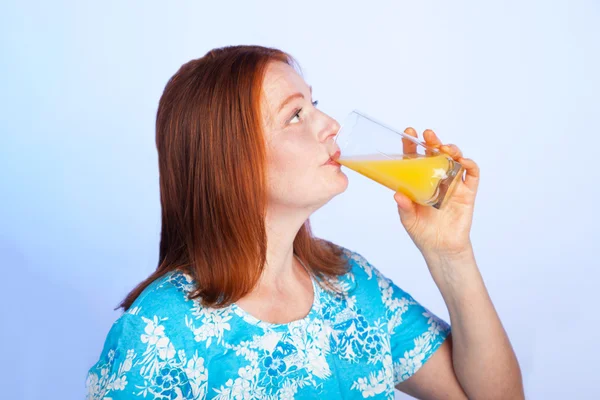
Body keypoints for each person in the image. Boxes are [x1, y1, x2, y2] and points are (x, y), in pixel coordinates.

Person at [85, 45, 523, 400]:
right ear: (233, 163)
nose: (331, 124)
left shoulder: (349, 282)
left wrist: (451, 254)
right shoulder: (160, 333)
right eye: (296, 114)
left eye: (314, 104)